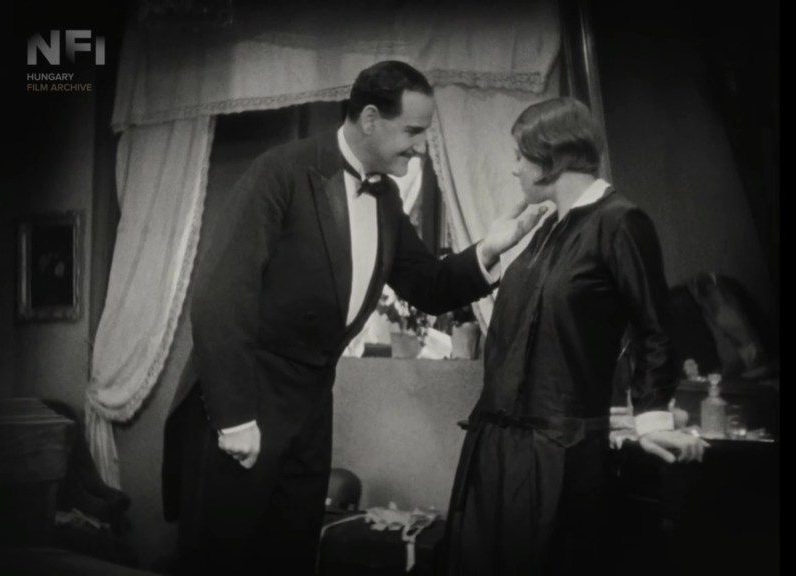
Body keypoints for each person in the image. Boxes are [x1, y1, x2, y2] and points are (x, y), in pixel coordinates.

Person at [162, 60, 546, 576]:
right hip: (243, 399)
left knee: (291, 556)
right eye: (412, 131)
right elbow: (219, 297)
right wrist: (234, 418)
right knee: (223, 558)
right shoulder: (281, 171)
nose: (419, 146)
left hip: (312, 406)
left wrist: (490, 249)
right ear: (369, 119)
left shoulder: (385, 196)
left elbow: (427, 285)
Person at [445, 97, 709, 576]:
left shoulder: (620, 222)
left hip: (559, 453)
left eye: (520, 156)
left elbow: (655, 328)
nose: (514, 169)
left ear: (551, 156)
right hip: (497, 448)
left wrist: (651, 418)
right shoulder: (547, 226)